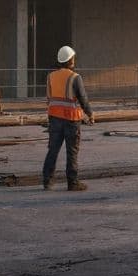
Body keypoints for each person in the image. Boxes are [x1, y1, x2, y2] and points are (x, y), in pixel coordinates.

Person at [42, 45, 95, 191]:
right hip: (71, 120)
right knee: (72, 151)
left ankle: (47, 180)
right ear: (70, 60)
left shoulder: (51, 77)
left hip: (54, 119)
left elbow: (49, 98)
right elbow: (83, 98)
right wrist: (90, 113)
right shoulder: (75, 77)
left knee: (53, 150)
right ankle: (73, 182)